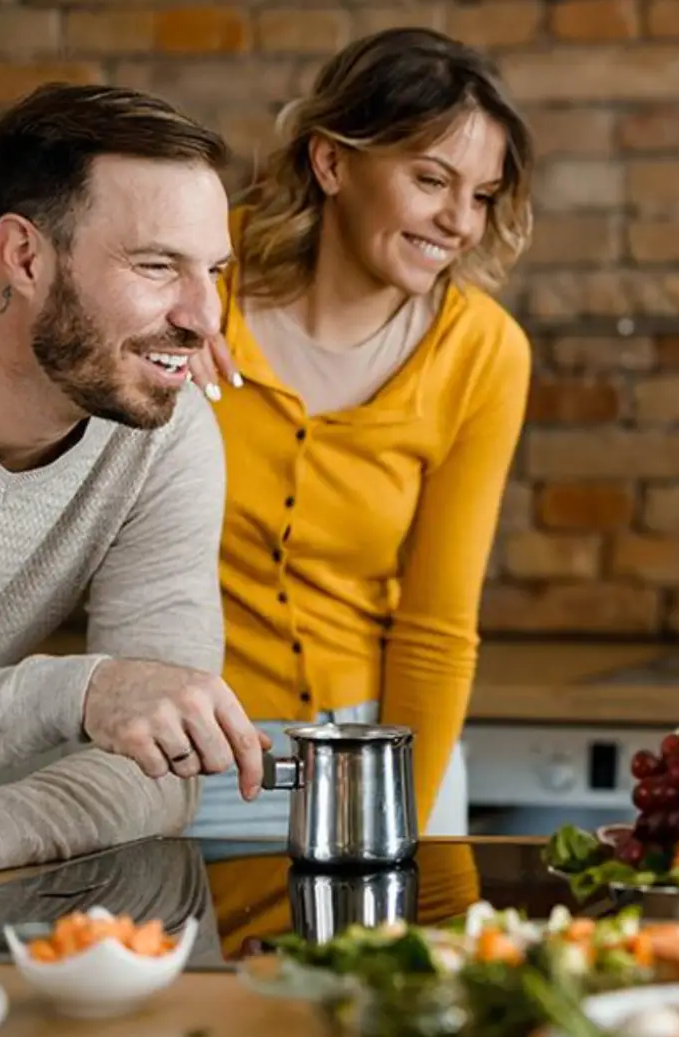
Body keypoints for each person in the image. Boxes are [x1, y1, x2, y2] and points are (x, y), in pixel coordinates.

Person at [0, 83, 269, 896]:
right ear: (25, 256)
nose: (206, 317)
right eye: (158, 266)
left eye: (215, 272)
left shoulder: (163, 436)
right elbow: (115, 704)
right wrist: (87, 690)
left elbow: (167, 761)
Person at [182, 27, 535, 840]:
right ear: (332, 163)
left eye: (480, 195)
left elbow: (438, 623)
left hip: (378, 753)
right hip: (187, 752)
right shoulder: (196, 284)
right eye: (431, 179)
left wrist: (392, 824)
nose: (458, 222)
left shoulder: (481, 351)